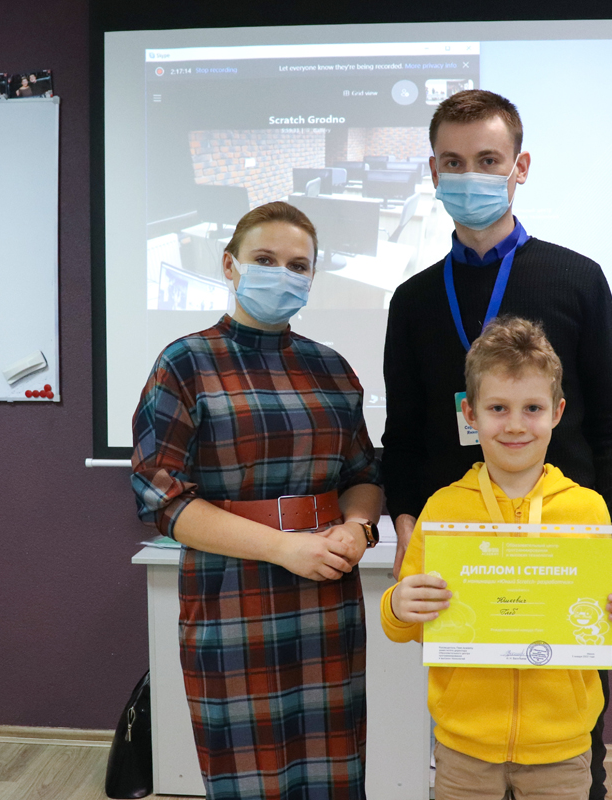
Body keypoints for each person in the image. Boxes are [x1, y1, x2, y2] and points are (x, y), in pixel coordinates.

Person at [381, 89, 612, 799]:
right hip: (461, 548)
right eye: (453, 162)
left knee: (568, 752)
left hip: (564, 548)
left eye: (488, 160)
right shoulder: (412, 300)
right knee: (471, 741)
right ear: (433, 172)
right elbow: (401, 434)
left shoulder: (579, 279)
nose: (470, 175)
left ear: (519, 167)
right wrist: (406, 530)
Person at [132, 201, 384, 800]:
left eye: (298, 265)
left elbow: (363, 474)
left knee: (333, 770)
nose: (283, 275)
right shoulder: (185, 363)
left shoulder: (332, 368)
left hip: (327, 595)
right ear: (230, 265)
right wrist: (282, 548)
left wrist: (358, 528)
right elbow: (161, 498)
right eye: (265, 259)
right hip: (231, 595)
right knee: (248, 774)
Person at [381, 316, 612, 800]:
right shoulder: (443, 509)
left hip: (562, 748)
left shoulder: (588, 510)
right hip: (463, 747)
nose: (514, 424)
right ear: (470, 413)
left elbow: (605, 627)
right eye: (498, 408)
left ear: (558, 412)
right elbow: (407, 627)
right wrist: (398, 606)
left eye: (532, 408)